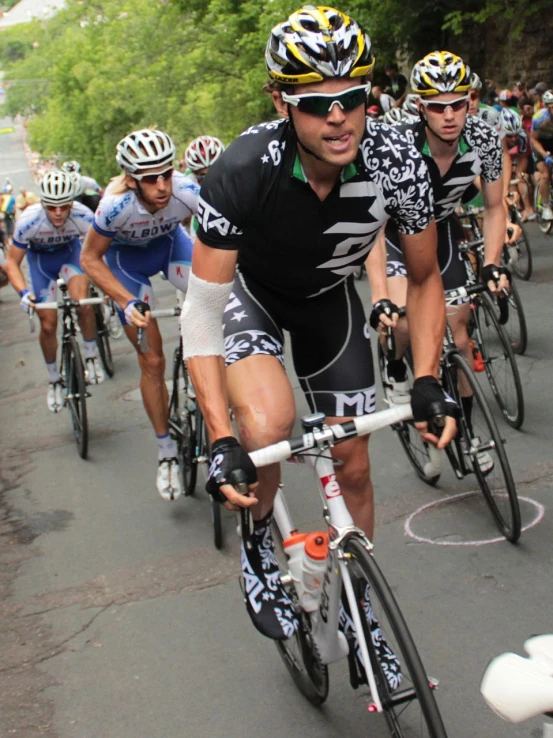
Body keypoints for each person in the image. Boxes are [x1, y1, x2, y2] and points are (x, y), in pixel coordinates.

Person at [180, 6, 456, 643]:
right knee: (268, 425)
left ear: (369, 95)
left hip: (330, 299)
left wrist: (423, 376)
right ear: (282, 103)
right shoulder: (243, 170)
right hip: (249, 296)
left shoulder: (399, 160)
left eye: (351, 97)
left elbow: (422, 276)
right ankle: (258, 549)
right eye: (314, 103)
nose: (337, 116)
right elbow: (199, 311)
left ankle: (362, 616)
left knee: (353, 462)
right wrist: (221, 439)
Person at [376, 51, 507, 471]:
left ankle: (470, 434)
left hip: (443, 229)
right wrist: (380, 295)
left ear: (471, 101)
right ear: (420, 106)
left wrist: (491, 262)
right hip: (397, 235)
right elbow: (374, 227)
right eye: (437, 105)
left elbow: (494, 206)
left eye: (457, 103)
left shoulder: (485, 138)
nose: (449, 115)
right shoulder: (398, 145)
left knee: (461, 337)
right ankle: (396, 364)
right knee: (404, 320)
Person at [80, 128, 200, 502]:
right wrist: (125, 301)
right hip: (125, 265)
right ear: (131, 180)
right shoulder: (114, 206)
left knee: (219, 299)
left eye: (167, 173)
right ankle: (166, 452)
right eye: (151, 179)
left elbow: (221, 234)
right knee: (152, 358)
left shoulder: (186, 189)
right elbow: (88, 259)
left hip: (168, 248)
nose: (162, 185)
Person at [3, 171, 104, 412]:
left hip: (71, 256)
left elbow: (99, 253)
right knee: (48, 324)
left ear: (71, 202)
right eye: (51, 207)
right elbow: (12, 264)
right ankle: (53, 379)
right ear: (42, 203)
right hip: (41, 265)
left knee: (84, 303)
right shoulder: (28, 220)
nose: (57, 213)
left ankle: (91, 355)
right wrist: (23, 293)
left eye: (63, 206)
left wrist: (108, 286)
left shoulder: (83, 216)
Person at [530, 89, 553, 220]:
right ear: (548, 107)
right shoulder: (539, 118)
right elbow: (533, 139)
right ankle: (545, 206)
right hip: (540, 143)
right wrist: (545, 155)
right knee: (545, 174)